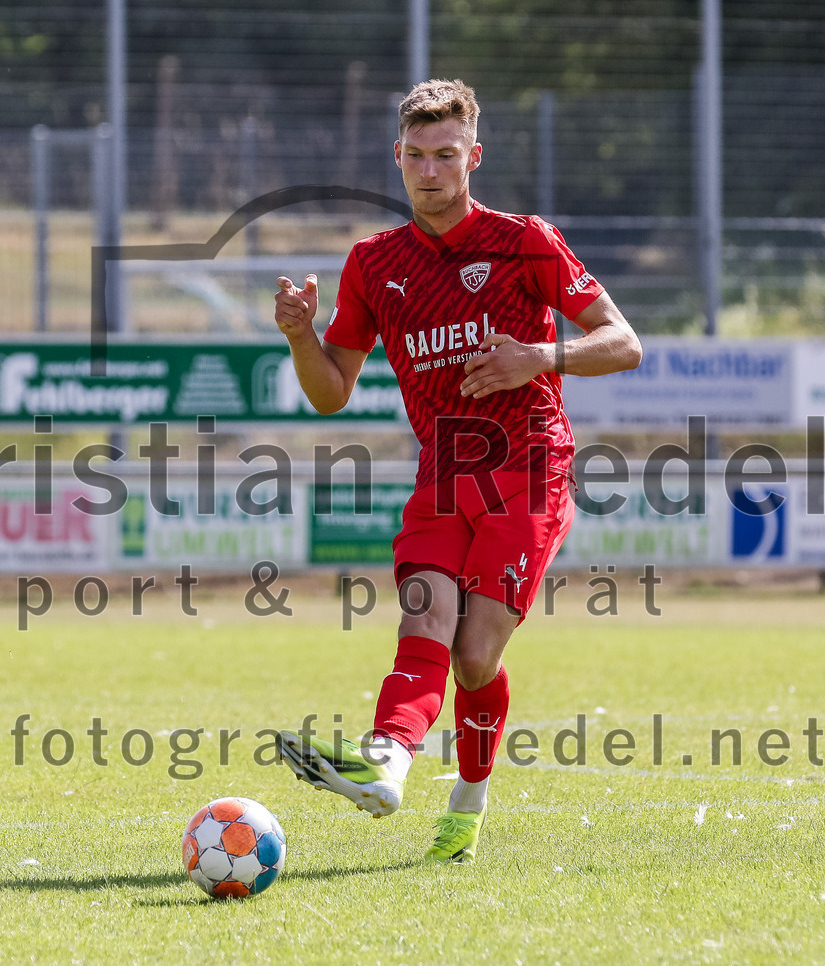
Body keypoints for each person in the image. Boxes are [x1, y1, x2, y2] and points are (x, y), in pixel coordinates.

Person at [273, 78, 642, 864]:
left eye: (447, 155)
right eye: (416, 156)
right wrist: (302, 336)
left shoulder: (524, 241)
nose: (430, 171)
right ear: (397, 158)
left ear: (473, 157)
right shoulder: (374, 263)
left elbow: (623, 342)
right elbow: (331, 391)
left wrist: (537, 357)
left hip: (528, 465)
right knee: (423, 622)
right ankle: (388, 762)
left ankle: (467, 803)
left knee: (476, 655)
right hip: (442, 476)